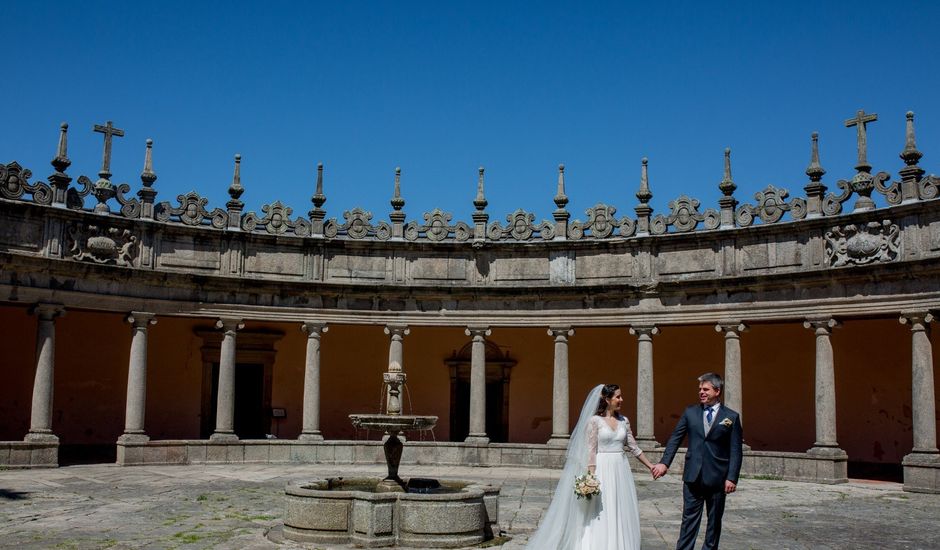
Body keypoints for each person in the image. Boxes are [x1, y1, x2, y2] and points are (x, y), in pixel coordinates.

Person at [526, 383, 656, 550]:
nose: (621, 399)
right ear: (607, 399)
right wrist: (591, 477)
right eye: (618, 396)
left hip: (620, 470)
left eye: (620, 396)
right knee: (601, 510)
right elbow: (591, 451)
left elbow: (634, 448)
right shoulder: (595, 421)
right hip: (602, 468)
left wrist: (651, 466)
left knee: (618, 509)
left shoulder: (624, 421)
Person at [651, 373, 743, 550]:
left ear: (717, 391)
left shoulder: (731, 417)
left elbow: (735, 450)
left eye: (705, 389)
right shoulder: (690, 412)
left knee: (714, 522)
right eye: (700, 389)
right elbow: (675, 438)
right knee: (688, 521)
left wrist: (732, 477)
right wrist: (664, 463)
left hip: (718, 478)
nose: (701, 392)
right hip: (693, 477)